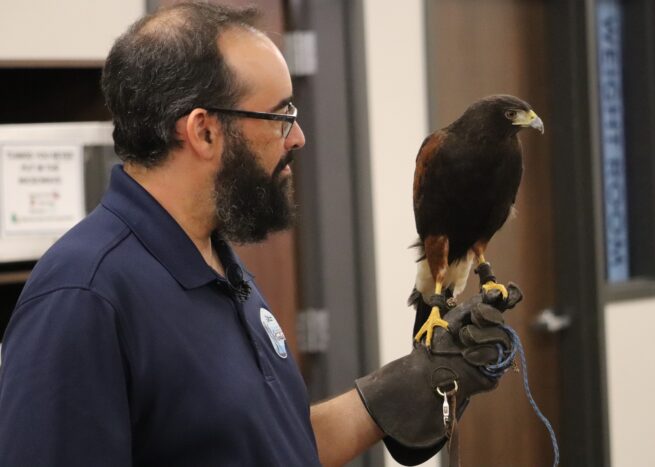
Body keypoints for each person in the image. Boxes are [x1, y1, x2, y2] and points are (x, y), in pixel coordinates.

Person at [0, 3, 518, 466]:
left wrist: (418, 380)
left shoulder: (215, 259)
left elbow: (276, 443)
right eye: (279, 115)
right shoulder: (83, 298)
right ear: (203, 131)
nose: (298, 136)